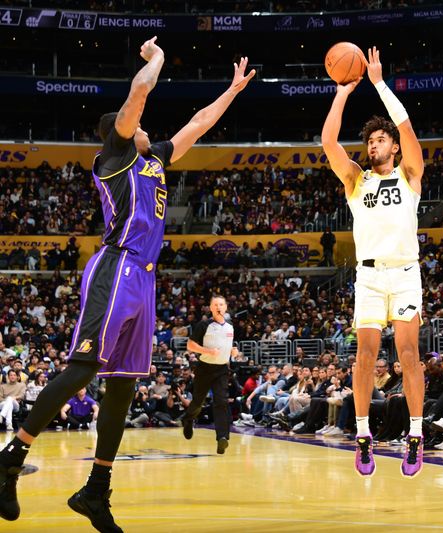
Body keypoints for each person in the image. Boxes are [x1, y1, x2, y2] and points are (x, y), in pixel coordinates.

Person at [0, 36, 254, 531]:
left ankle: (96, 490)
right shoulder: (115, 156)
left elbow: (198, 124)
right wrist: (157, 59)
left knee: (121, 389)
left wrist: (232, 91)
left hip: (147, 278)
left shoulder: (156, 157)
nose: (145, 127)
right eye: (135, 124)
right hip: (116, 267)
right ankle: (9, 460)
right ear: (120, 131)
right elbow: (137, 96)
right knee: (82, 368)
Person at [322, 46, 426, 477]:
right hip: (368, 278)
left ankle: (416, 435)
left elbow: (404, 124)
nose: (373, 143)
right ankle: (363, 434)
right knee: (364, 356)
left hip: (404, 275)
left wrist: (379, 83)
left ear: (395, 148)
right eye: (369, 140)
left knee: (408, 354)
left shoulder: (409, 173)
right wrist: (343, 92)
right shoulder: (355, 179)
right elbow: (329, 141)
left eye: (380, 139)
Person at [182, 295, 236, 454]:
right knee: (198, 402)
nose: (218, 307)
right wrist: (208, 351)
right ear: (211, 308)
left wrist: (233, 351)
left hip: (222, 370)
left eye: (221, 304)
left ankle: (222, 438)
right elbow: (190, 345)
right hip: (204, 368)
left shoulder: (230, 326)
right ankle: (188, 419)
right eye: (215, 304)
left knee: (221, 402)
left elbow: (229, 345)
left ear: (225, 307)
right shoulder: (204, 325)